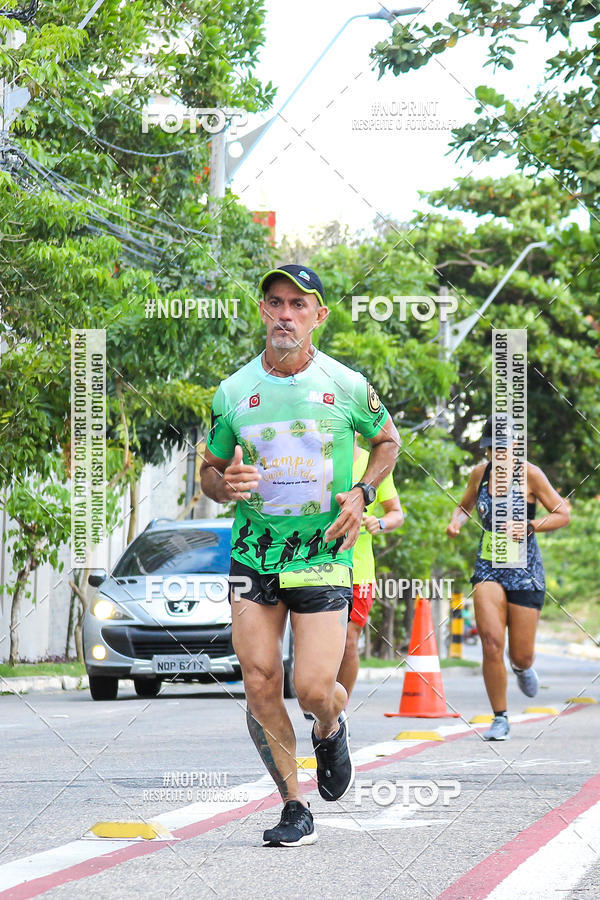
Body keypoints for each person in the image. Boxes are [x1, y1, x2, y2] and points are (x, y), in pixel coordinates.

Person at [200, 264, 399, 846]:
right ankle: (294, 806)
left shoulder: (349, 386)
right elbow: (210, 471)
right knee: (261, 683)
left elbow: (388, 440)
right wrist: (224, 483)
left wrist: (364, 492)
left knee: (313, 688)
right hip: (253, 552)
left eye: (299, 304)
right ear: (263, 311)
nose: (286, 314)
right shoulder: (234, 391)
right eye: (276, 303)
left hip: (322, 551)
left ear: (319, 316)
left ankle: (330, 726)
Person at [446, 413, 570, 740]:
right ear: (486, 450)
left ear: (516, 446)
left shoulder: (531, 475)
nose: (498, 456)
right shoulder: (479, 474)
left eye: (504, 449)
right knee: (490, 641)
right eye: (492, 450)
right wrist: (456, 521)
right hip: (488, 565)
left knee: (520, 653)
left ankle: (521, 667)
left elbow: (563, 514)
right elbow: (464, 506)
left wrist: (530, 525)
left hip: (525, 570)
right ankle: (500, 717)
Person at [336, 435, 404, 699]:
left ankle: (339, 711)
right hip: (316, 567)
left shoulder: (374, 464)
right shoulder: (316, 462)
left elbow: (396, 513)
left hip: (359, 571)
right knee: (320, 642)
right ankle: (319, 695)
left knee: (349, 641)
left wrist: (381, 523)